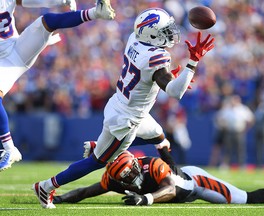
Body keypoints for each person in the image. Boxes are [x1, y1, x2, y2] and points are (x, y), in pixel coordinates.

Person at [32, 7, 215, 209]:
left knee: (160, 137)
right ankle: (47, 186)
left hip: (121, 104)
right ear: (152, 33)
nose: (170, 33)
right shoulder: (156, 58)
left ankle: (173, 172)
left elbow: (152, 76)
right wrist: (193, 62)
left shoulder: (134, 39)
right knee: (97, 162)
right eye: (165, 30)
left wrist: (168, 76)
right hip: (127, 119)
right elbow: (175, 92)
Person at [0, 0, 115, 171]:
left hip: (17, 46)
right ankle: (10, 148)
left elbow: (28, 1)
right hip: (6, 63)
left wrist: (60, 0)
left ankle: (96, 13)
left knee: (46, 21)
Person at [52, 150, 264, 205]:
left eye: (132, 171)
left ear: (136, 164)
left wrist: (145, 199)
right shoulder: (113, 178)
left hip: (194, 183)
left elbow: (171, 189)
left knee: (243, 200)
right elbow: (85, 192)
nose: (131, 177)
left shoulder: (153, 165)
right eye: (125, 177)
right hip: (180, 191)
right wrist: (60, 199)